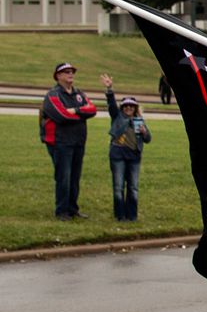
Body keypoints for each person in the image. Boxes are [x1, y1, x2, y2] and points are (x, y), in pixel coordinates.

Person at [39, 61, 98, 220]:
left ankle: (73, 209)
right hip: (60, 142)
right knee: (63, 177)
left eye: (72, 71)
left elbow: (92, 110)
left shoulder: (79, 94)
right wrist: (80, 114)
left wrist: (76, 110)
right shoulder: (53, 95)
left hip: (78, 141)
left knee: (74, 177)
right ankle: (62, 211)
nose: (70, 74)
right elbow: (61, 115)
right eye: (66, 72)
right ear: (58, 76)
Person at [99, 75, 151, 221]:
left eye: (132, 106)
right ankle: (120, 215)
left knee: (133, 188)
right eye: (126, 106)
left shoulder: (139, 120)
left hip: (134, 157)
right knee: (118, 187)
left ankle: (132, 215)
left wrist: (144, 132)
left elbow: (148, 139)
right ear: (122, 108)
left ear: (135, 108)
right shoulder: (117, 117)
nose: (129, 108)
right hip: (118, 156)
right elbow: (111, 104)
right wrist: (109, 88)